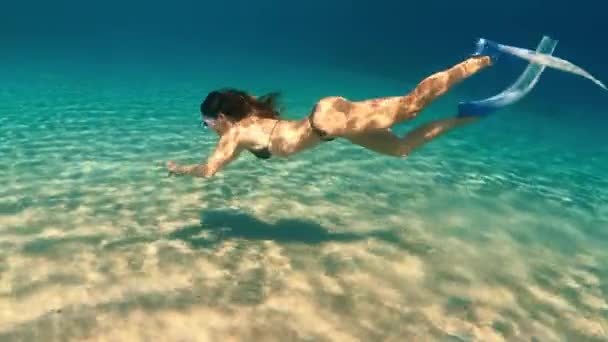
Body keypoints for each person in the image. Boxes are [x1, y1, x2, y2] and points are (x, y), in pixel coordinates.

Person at [167, 41, 502, 178]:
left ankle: (478, 59)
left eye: (207, 122)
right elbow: (233, 142)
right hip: (331, 129)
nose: (209, 128)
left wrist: (179, 169)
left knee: (411, 105)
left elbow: (209, 170)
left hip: (325, 122)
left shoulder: (238, 132)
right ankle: (469, 116)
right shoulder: (249, 123)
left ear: (222, 118)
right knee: (401, 149)